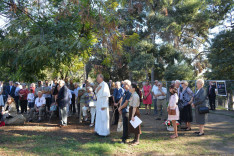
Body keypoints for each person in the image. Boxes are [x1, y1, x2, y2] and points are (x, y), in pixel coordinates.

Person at [118, 80, 132, 144]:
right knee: (125, 124)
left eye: (125, 84)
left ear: (128, 85)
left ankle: (124, 139)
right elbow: (122, 100)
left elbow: (126, 103)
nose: (123, 86)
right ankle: (126, 136)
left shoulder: (129, 92)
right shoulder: (125, 92)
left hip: (127, 111)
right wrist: (120, 108)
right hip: (124, 110)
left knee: (125, 125)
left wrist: (120, 108)